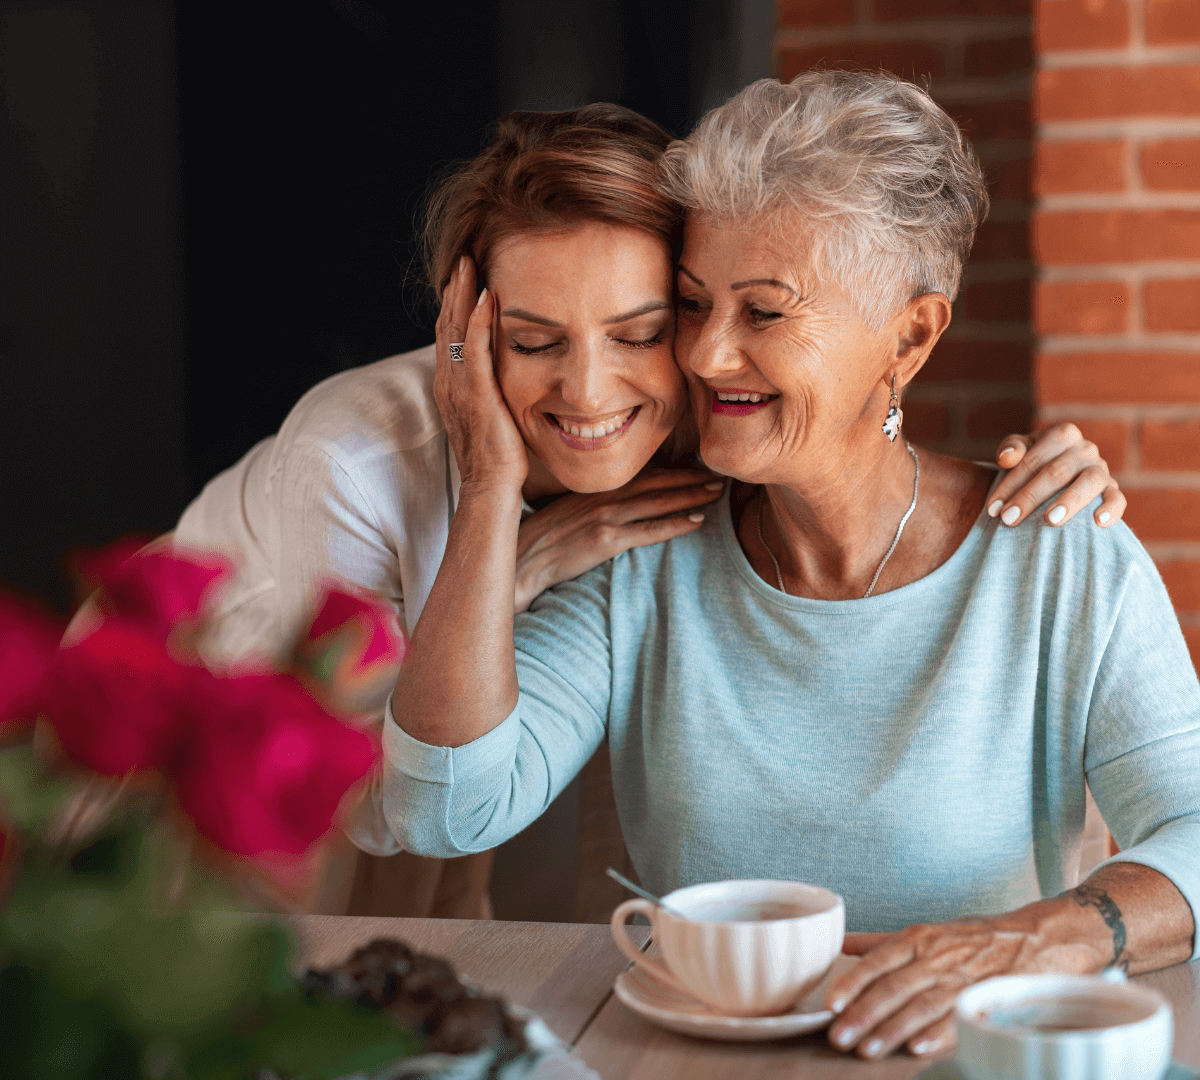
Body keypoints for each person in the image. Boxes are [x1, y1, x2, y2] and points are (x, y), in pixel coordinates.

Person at [384, 71, 1198, 1059]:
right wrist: (485, 490)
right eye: (691, 305)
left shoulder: (1059, 557)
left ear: (911, 334)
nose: (706, 355)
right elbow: (439, 808)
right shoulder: (642, 547)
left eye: (763, 314)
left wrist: (1030, 940)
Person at [176, 104, 1120, 919]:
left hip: (449, 831)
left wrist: (1044, 470)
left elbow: (845, 427)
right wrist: (510, 530)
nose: (588, 392)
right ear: (465, 329)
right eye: (534, 340)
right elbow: (381, 801)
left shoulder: (698, 432)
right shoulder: (351, 464)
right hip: (201, 822)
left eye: (642, 332)